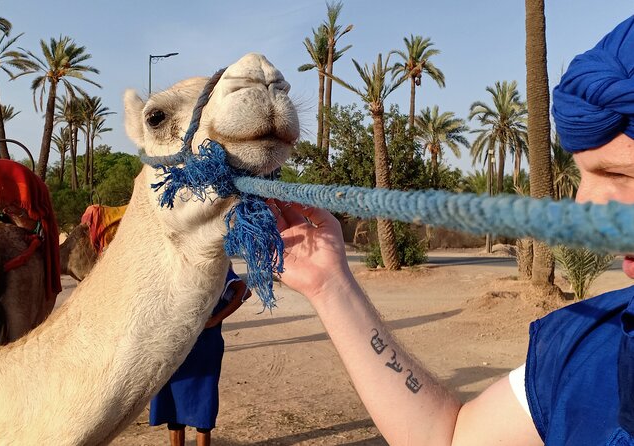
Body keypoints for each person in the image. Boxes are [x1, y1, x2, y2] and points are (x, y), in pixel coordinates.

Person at [269, 15, 634, 445]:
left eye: (621, 175)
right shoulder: (583, 346)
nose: (583, 207)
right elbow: (450, 437)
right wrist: (329, 283)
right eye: (584, 175)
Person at [149, 265, 251, 446]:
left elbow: (244, 291)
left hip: (204, 344)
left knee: (203, 399)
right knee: (171, 401)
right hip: (174, 343)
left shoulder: (212, 265)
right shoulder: (172, 265)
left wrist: (216, 319)